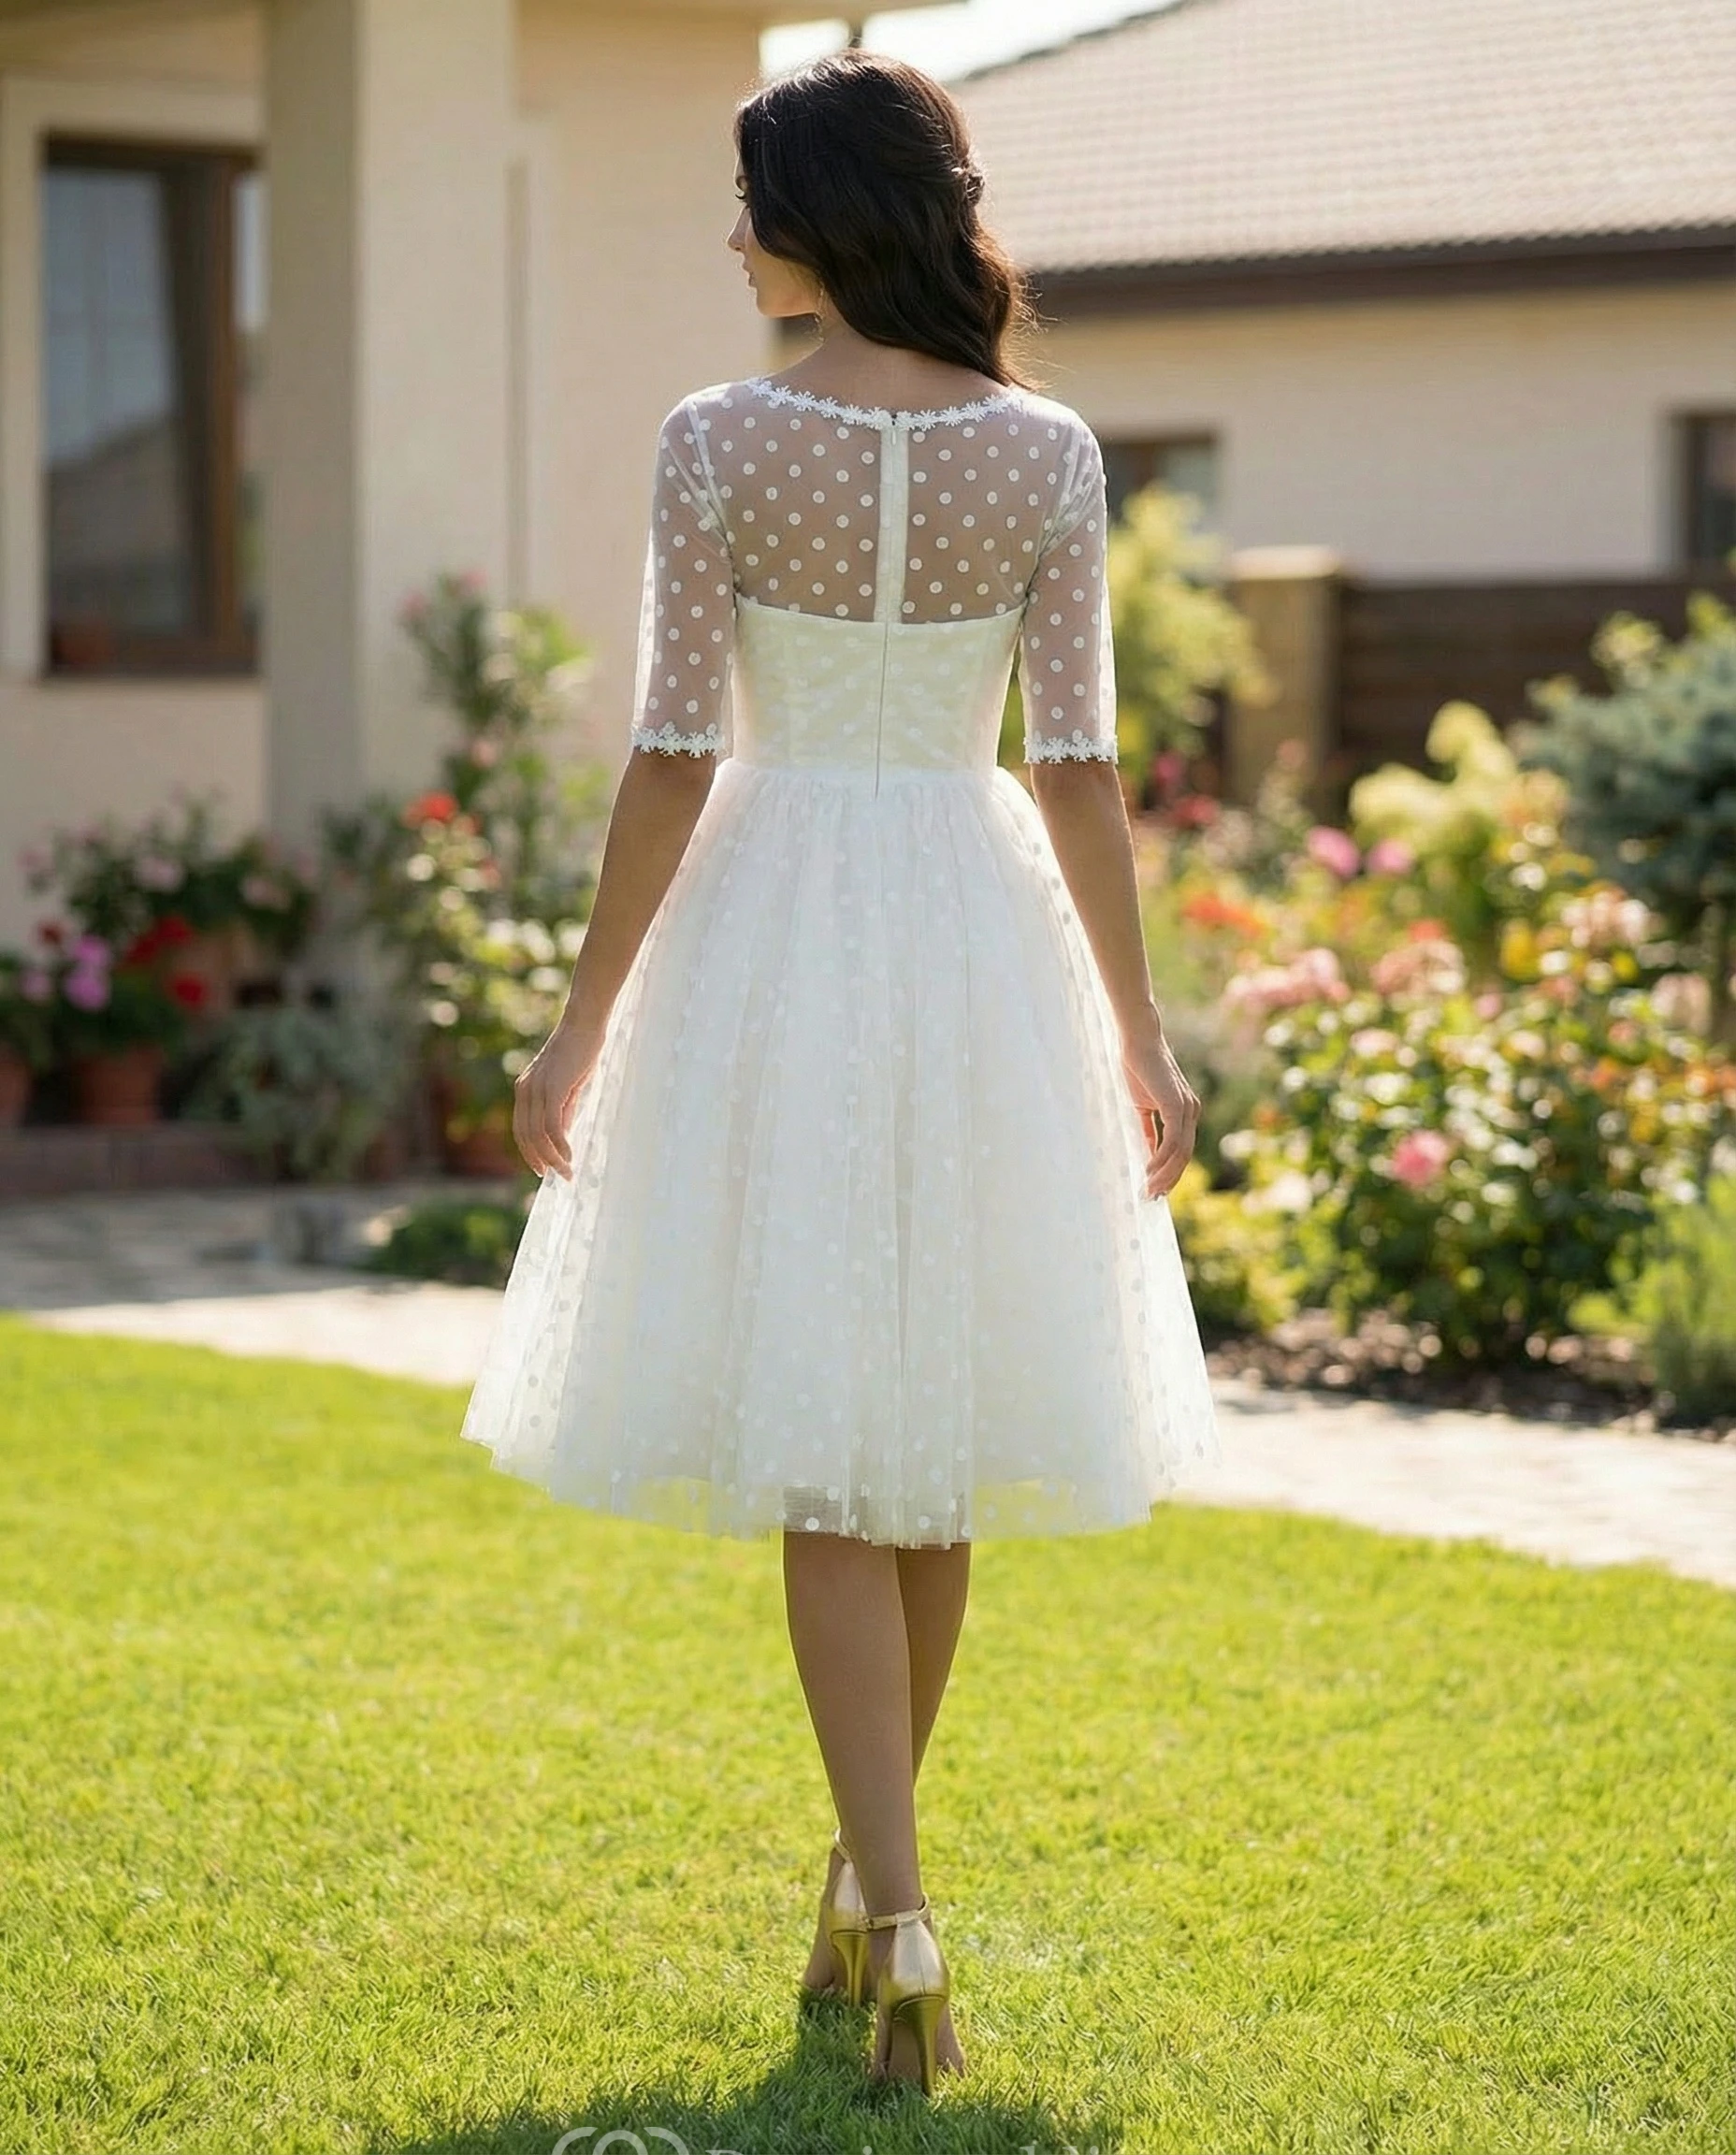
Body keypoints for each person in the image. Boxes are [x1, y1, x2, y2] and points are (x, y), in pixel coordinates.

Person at [457, 47, 1221, 2098]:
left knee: (833, 1451)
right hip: (976, 929)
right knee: (928, 1451)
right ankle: (870, 1894)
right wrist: (1138, 1026)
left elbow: (671, 755)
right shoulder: (1047, 451)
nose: (732, 238)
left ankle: (896, 1916)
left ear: (820, 219)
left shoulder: (718, 438)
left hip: (777, 925)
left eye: (752, 202)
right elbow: (1075, 767)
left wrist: (583, 1017)